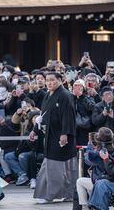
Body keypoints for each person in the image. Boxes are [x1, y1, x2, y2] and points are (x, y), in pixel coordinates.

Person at [30, 72, 78, 204]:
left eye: (52, 80)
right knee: (55, 165)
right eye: (47, 80)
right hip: (51, 134)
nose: (49, 83)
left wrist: (65, 134)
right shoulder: (47, 95)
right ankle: (67, 194)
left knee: (61, 166)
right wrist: (35, 129)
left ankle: (51, 194)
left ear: (60, 80)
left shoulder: (65, 95)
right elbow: (43, 115)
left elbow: (68, 116)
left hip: (62, 135)